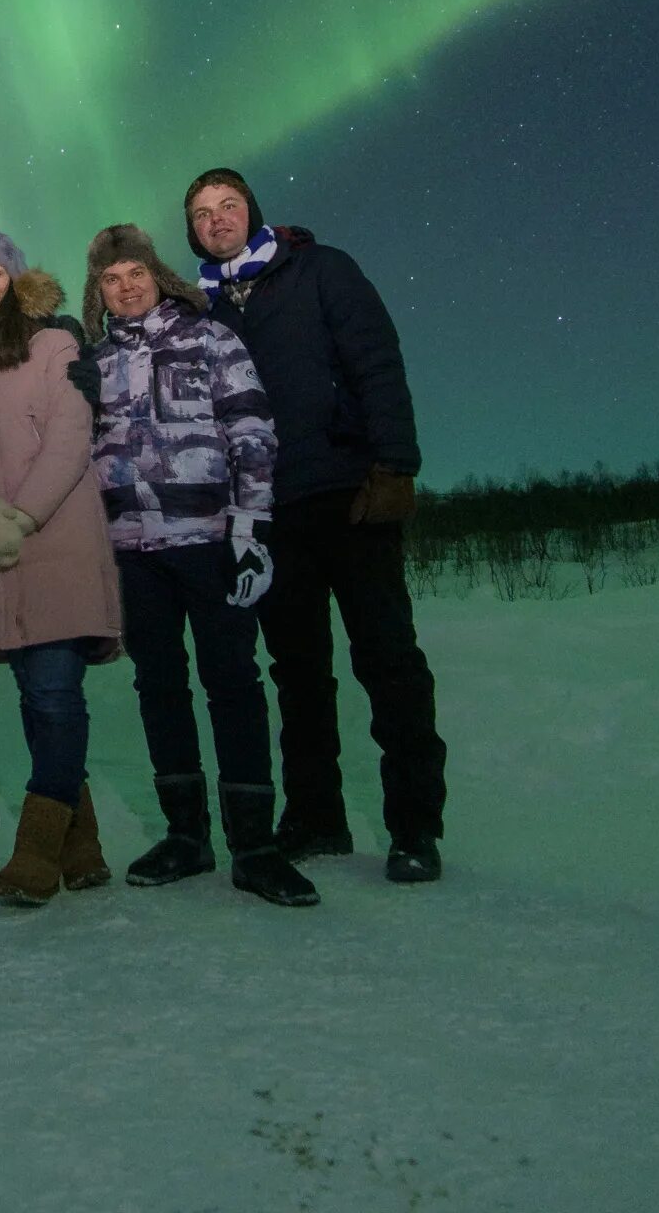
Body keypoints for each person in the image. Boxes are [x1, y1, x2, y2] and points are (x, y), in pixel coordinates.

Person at [184, 168, 448, 882]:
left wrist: (394, 464)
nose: (217, 220)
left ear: (252, 212)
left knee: (388, 660)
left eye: (228, 206)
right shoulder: (205, 314)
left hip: (349, 493)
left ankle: (414, 827)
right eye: (202, 214)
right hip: (270, 511)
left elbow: (375, 361)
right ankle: (317, 816)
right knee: (298, 673)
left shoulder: (321, 270)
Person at [84, 225, 317, 908]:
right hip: (131, 549)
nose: (126, 287)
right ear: (99, 292)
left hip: (209, 539)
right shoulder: (94, 362)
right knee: (159, 687)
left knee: (233, 683)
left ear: (158, 277)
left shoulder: (210, 338)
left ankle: (254, 846)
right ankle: (187, 837)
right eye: (111, 279)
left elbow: (252, 430)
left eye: (136, 274)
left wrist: (251, 528)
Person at [0, 228, 122, 908]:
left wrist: (23, 517)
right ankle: (83, 844)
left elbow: (72, 437)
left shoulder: (53, 344)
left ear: (16, 280)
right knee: (36, 698)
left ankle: (37, 851)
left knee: (55, 693)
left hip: (56, 537)